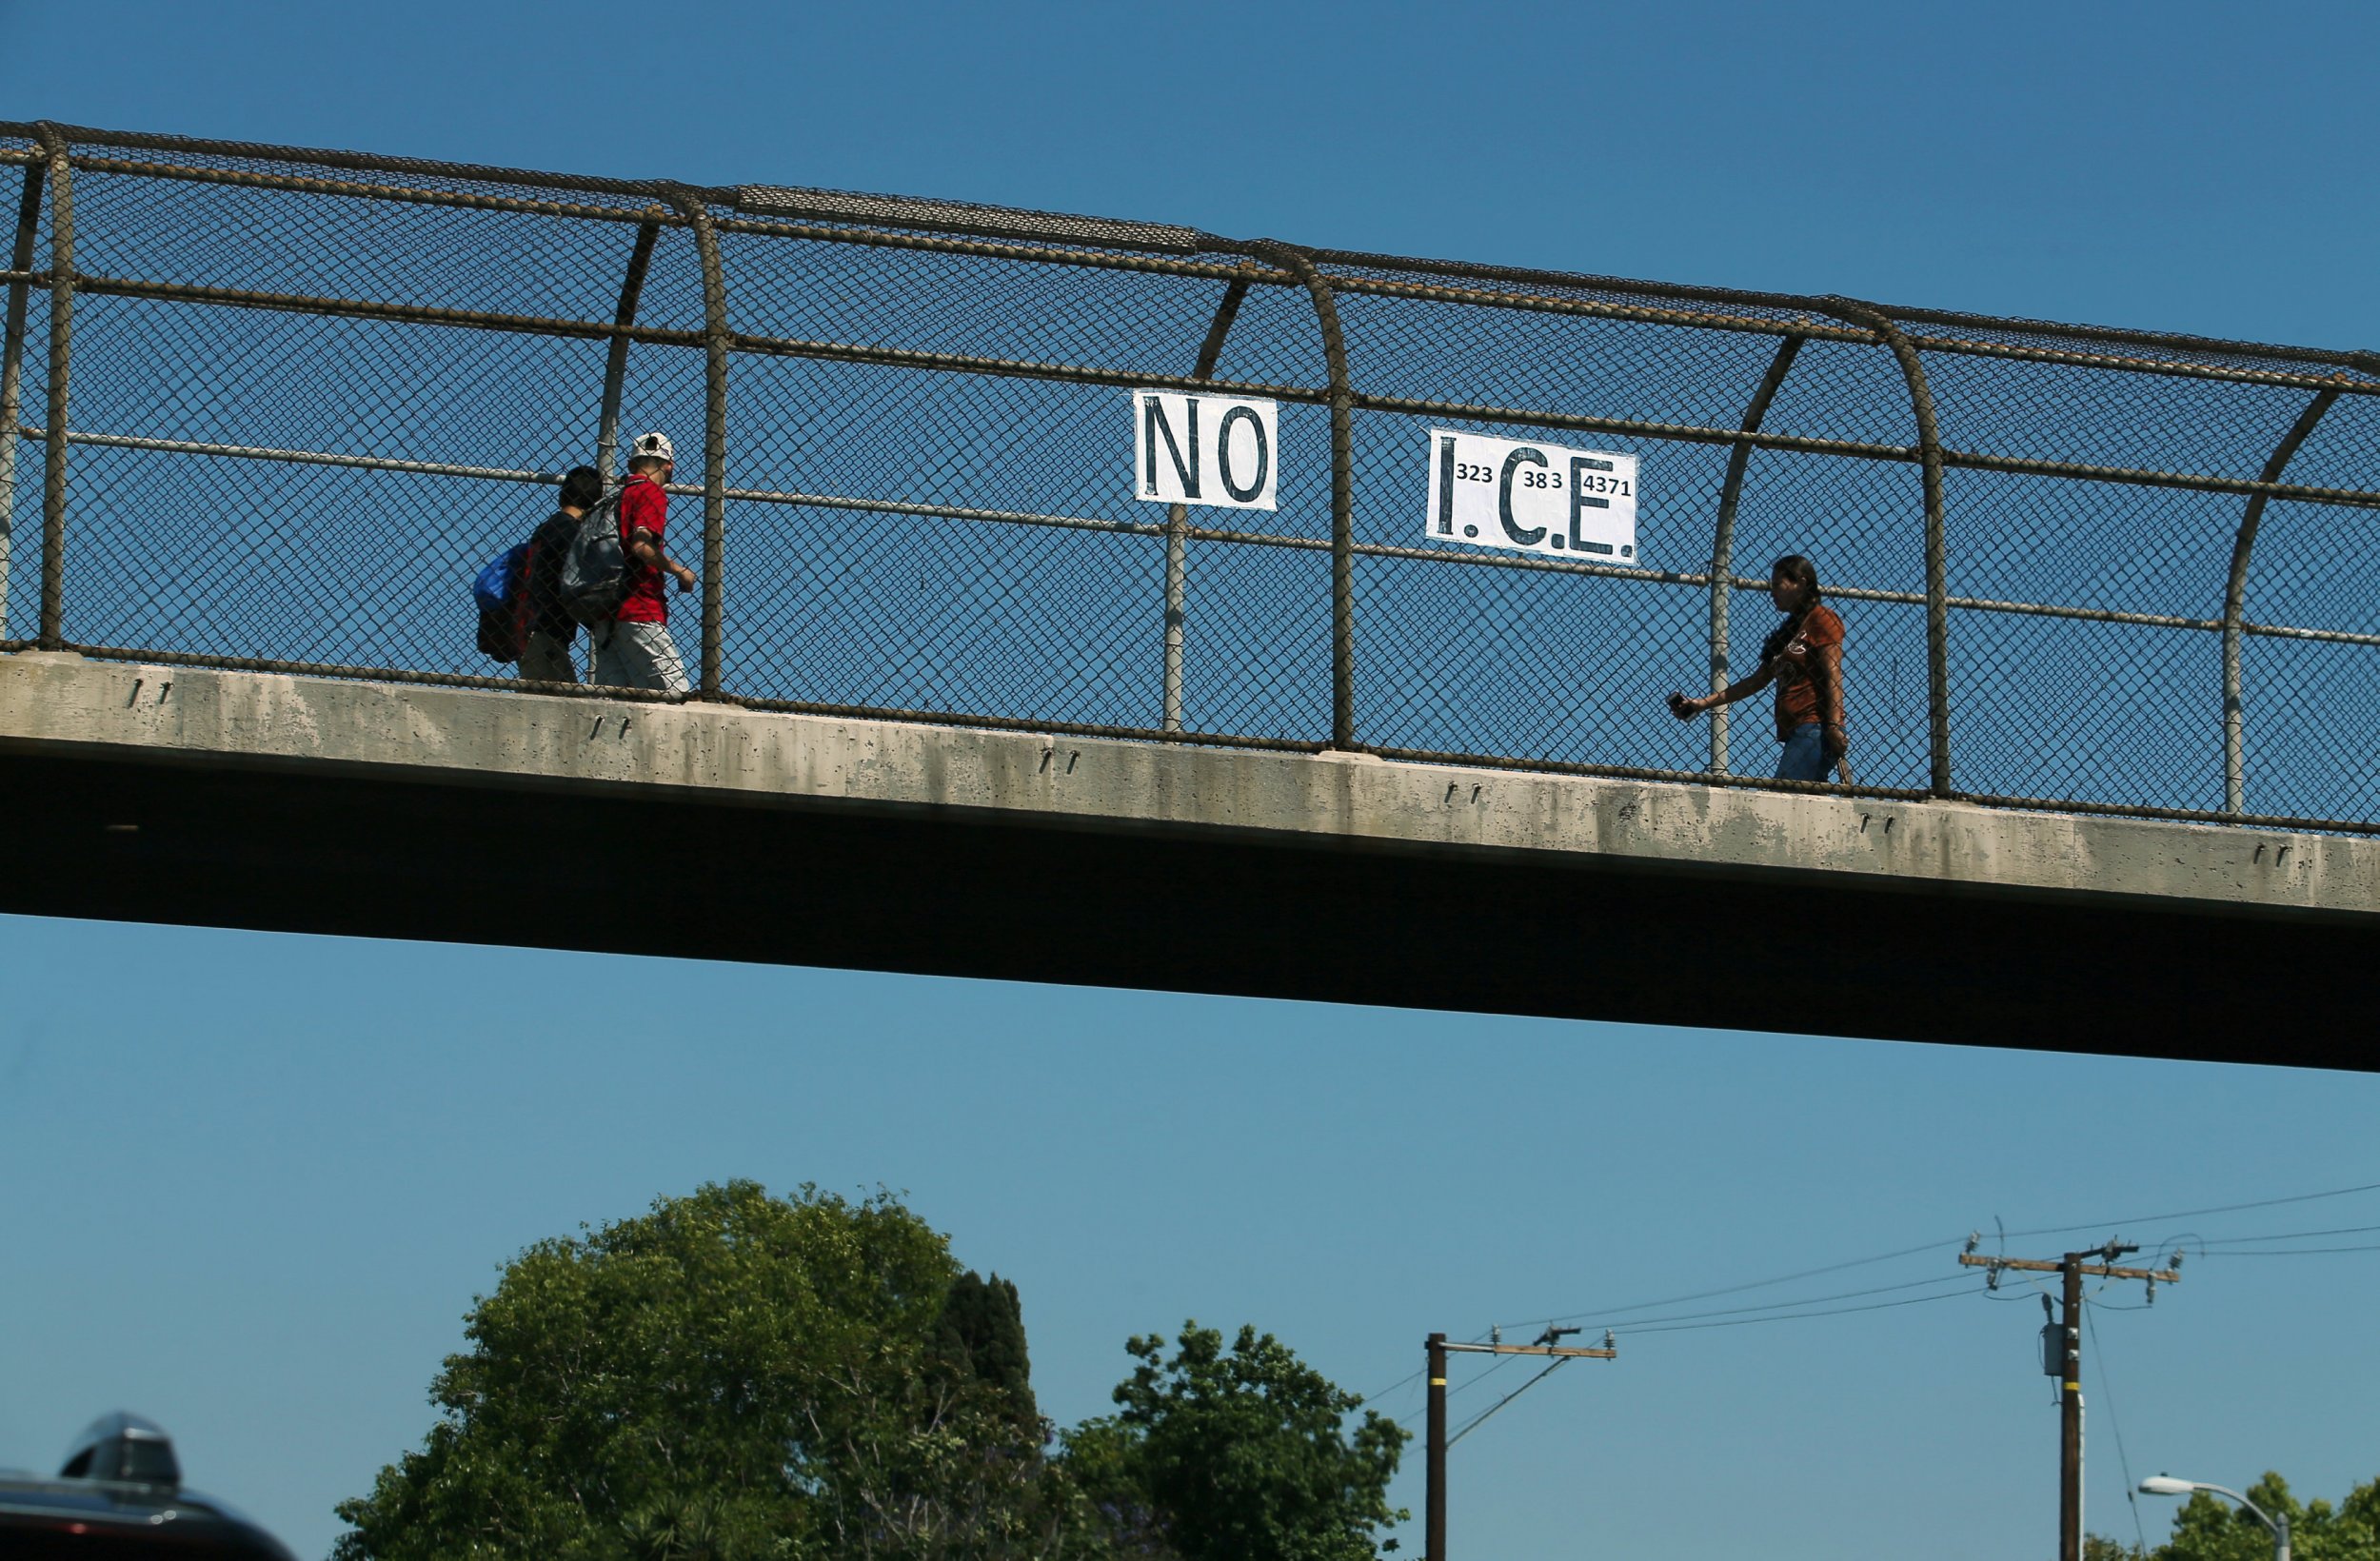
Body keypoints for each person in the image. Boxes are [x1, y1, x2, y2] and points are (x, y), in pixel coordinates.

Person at [1666, 554, 1847, 782]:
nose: (1773, 593)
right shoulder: (1787, 633)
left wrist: (1833, 725)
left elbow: (1833, 673)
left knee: (1785, 794)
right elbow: (1757, 681)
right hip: (1796, 730)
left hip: (1815, 726)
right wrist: (1702, 704)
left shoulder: (1823, 619)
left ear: (1800, 583)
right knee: (1800, 802)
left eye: (1778, 585)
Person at [589, 430, 697, 692]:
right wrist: (680, 570)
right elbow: (640, 545)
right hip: (639, 606)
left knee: (612, 702)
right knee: (675, 693)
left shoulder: (615, 496)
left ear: (630, 465)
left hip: (606, 613)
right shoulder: (651, 492)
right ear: (669, 465)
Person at [519, 464, 603, 684]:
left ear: (562, 496)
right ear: (596, 503)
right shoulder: (572, 534)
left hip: (537, 627)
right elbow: (575, 584)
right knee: (561, 702)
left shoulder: (548, 528)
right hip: (545, 631)